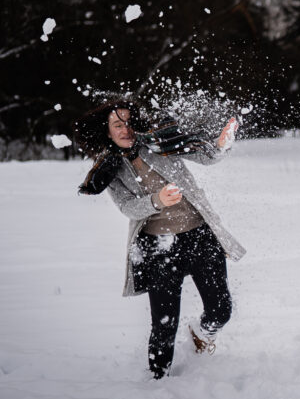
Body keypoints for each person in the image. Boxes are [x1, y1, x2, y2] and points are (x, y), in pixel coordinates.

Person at [73, 100, 246, 379]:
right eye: (118, 125)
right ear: (108, 132)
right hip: (158, 248)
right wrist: (157, 200)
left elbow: (206, 155)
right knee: (165, 324)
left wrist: (221, 145)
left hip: (200, 236)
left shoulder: (159, 142)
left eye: (129, 122)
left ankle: (201, 334)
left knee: (221, 309)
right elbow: (128, 207)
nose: (125, 129)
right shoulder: (109, 168)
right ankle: (157, 380)